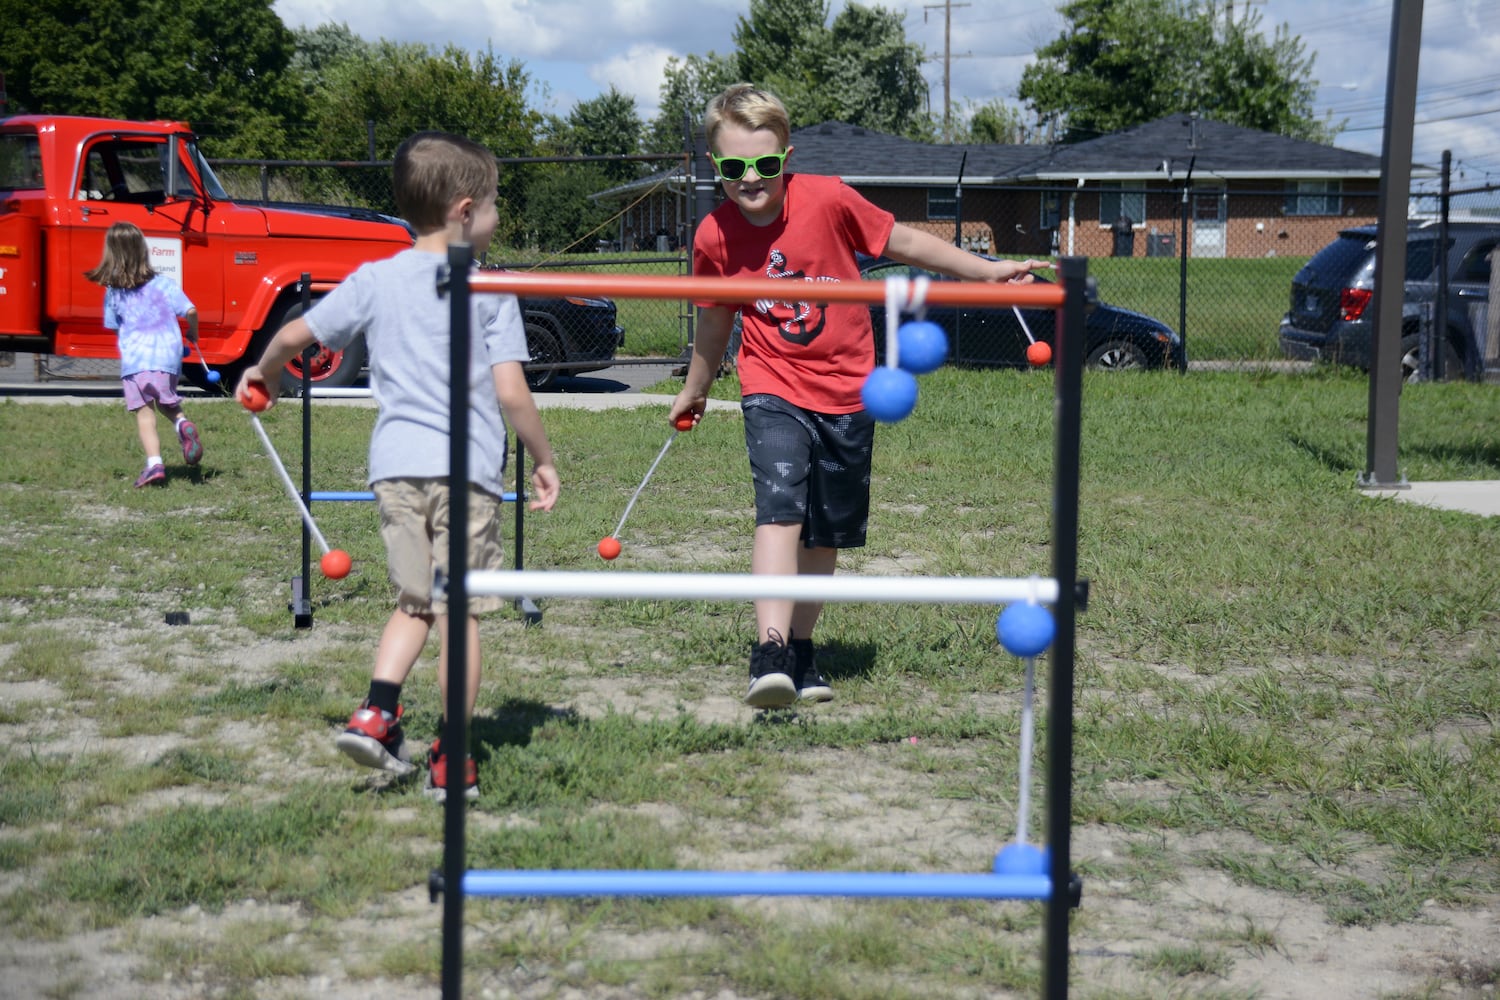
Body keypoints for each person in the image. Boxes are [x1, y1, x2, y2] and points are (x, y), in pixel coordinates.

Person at [668, 83, 1051, 710]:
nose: (750, 179)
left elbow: (906, 243)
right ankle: (768, 652)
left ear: (786, 157)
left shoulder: (828, 200)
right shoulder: (713, 236)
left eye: (765, 164)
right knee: (780, 507)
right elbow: (715, 322)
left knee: (825, 531)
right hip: (771, 383)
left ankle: (801, 647)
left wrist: (986, 271)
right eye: (735, 168)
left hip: (848, 387)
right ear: (717, 168)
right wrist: (696, 387)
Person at [235, 131, 561, 802]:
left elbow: (298, 334)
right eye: (496, 205)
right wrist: (543, 457)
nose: (499, 219)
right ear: (464, 211)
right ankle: (453, 756)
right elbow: (510, 391)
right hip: (465, 472)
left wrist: (260, 372)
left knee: (418, 601)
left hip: (395, 472)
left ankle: (377, 712)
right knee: (458, 614)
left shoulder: (374, 279)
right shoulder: (490, 287)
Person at [84, 222, 204, 487]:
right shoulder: (164, 284)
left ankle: (154, 465)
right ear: (143, 250)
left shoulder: (114, 292)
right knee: (168, 402)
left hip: (137, 360)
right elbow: (191, 311)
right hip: (168, 357)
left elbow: (115, 327)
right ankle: (182, 423)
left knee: (144, 413)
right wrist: (193, 334)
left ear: (111, 254)